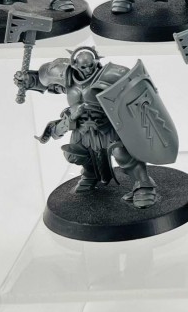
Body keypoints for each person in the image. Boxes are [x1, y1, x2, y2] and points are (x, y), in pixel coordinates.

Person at [14, 47, 160, 208]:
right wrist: (27, 80)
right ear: (74, 64)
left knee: (123, 154)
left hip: (108, 126)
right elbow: (45, 83)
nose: (88, 70)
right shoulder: (63, 74)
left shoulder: (113, 75)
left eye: (91, 65)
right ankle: (91, 174)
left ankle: (144, 185)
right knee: (75, 153)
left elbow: (140, 89)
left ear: (97, 61)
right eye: (83, 67)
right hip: (81, 126)